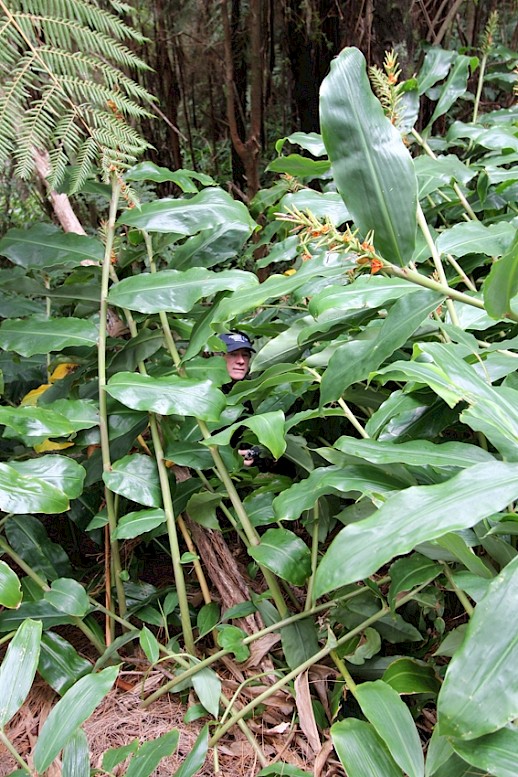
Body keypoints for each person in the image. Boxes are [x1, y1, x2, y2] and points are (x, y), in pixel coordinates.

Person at [216, 331, 273, 470]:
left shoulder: (255, 393)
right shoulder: (206, 393)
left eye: (245, 355)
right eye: (233, 354)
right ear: (218, 357)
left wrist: (255, 454)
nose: (241, 361)